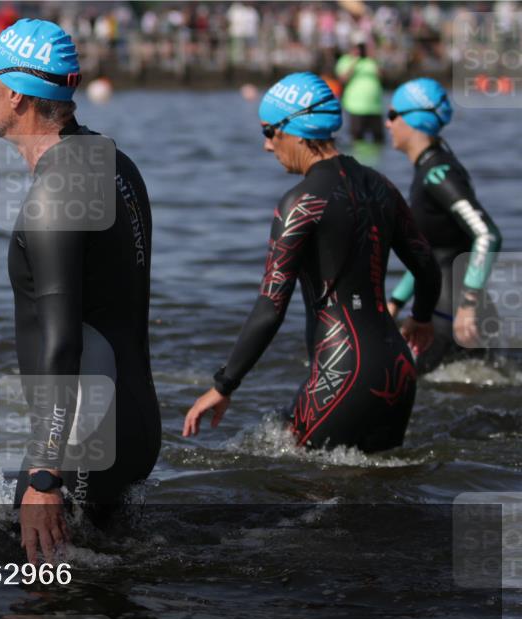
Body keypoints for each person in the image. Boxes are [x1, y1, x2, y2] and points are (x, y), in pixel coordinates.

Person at [0, 19, 161, 563]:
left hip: (83, 436)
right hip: (135, 419)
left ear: (15, 94)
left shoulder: (56, 193)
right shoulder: (115, 163)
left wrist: (43, 473)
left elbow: (62, 343)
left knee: (37, 589)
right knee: (110, 585)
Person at [184, 73, 441, 452]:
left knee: (303, 483)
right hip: (399, 369)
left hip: (342, 372)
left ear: (297, 130)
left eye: (269, 131)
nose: (267, 146)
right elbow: (427, 266)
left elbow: (270, 308)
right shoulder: (382, 186)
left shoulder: (300, 203)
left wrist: (224, 385)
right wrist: (420, 317)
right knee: (383, 483)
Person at [385, 78, 503, 374]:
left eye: (392, 115)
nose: (387, 124)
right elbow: (431, 252)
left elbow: (487, 234)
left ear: (414, 120)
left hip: (455, 316)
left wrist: (468, 304)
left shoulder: (438, 173)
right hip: (445, 311)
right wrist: (395, 302)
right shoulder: (429, 170)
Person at [335, 42, 384, 143]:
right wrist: (355, 61)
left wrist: (373, 59)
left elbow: (383, 76)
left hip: (375, 107)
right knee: (357, 139)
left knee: (379, 139)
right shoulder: (346, 60)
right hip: (356, 108)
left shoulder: (371, 61)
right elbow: (343, 79)